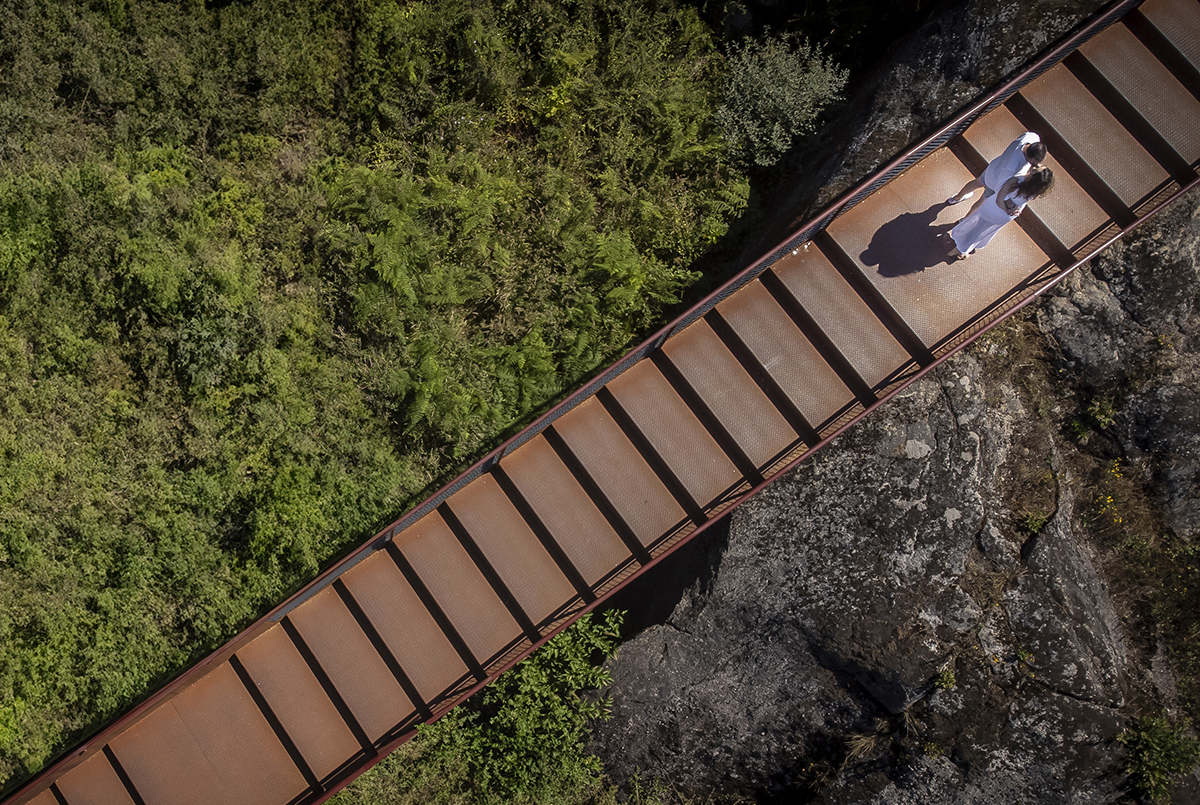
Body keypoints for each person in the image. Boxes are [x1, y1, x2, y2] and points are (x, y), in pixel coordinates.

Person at [948, 166, 1054, 259]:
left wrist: (1006, 208)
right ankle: (969, 246)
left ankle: (963, 248)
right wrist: (1009, 210)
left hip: (994, 208)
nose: (1038, 165)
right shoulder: (1034, 191)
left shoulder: (1016, 180)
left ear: (1033, 176)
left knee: (977, 223)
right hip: (1006, 216)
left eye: (1040, 167)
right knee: (984, 229)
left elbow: (999, 199)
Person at [947, 132, 1046, 205]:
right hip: (994, 181)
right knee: (982, 201)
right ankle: (963, 221)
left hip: (993, 168)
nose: (1033, 165)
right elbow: (1001, 185)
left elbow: (1033, 136)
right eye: (1032, 163)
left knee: (976, 182)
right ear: (1028, 157)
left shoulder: (1030, 137)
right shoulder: (1012, 166)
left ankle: (956, 198)